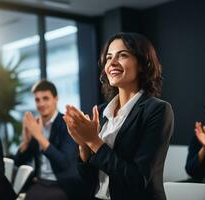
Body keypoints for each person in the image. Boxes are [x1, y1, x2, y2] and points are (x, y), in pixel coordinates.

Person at [64, 32, 174, 200]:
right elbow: (89, 180)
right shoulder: (101, 112)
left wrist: (94, 141)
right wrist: (84, 146)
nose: (112, 63)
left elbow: (138, 180)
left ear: (143, 64)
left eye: (122, 55)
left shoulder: (158, 110)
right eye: (108, 58)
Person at [14, 79, 87, 200]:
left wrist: (38, 136)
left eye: (45, 98)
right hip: (40, 182)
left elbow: (64, 163)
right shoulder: (36, 124)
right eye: (37, 100)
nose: (41, 104)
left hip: (63, 185)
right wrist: (26, 142)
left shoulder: (67, 124)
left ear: (56, 99)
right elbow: (18, 162)